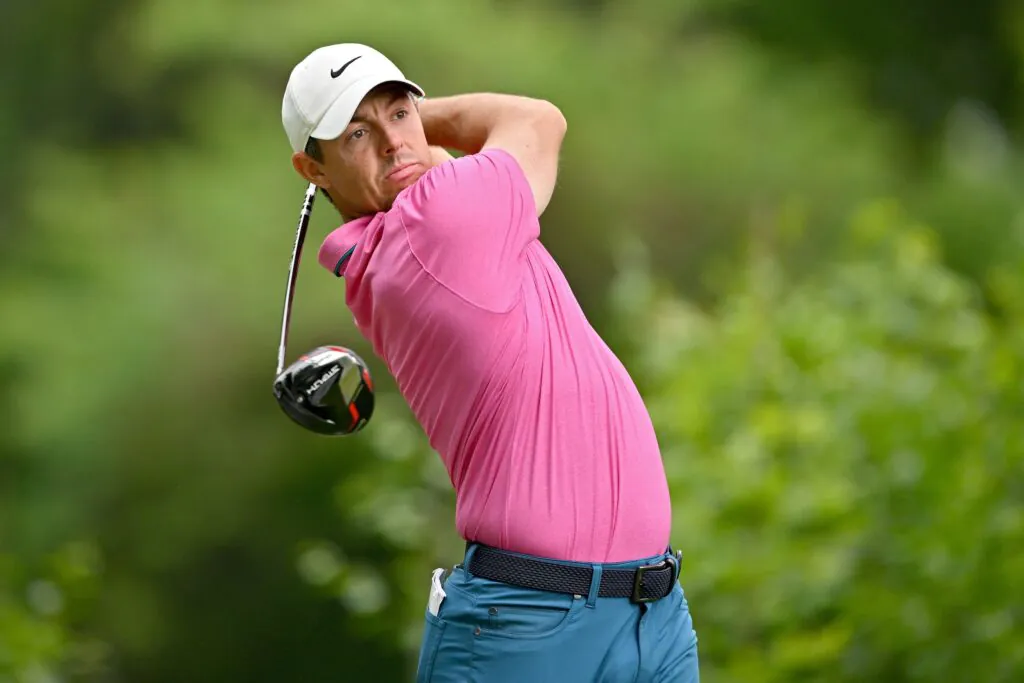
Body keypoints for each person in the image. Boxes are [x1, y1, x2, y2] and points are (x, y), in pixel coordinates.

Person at [281, 43, 700, 682]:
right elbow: (538, 121)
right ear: (313, 169)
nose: (394, 144)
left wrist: (398, 131)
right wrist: (425, 117)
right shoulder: (436, 221)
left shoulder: (417, 226)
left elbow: (437, 163)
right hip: (527, 626)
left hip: (649, 613)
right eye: (357, 133)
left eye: (398, 114)